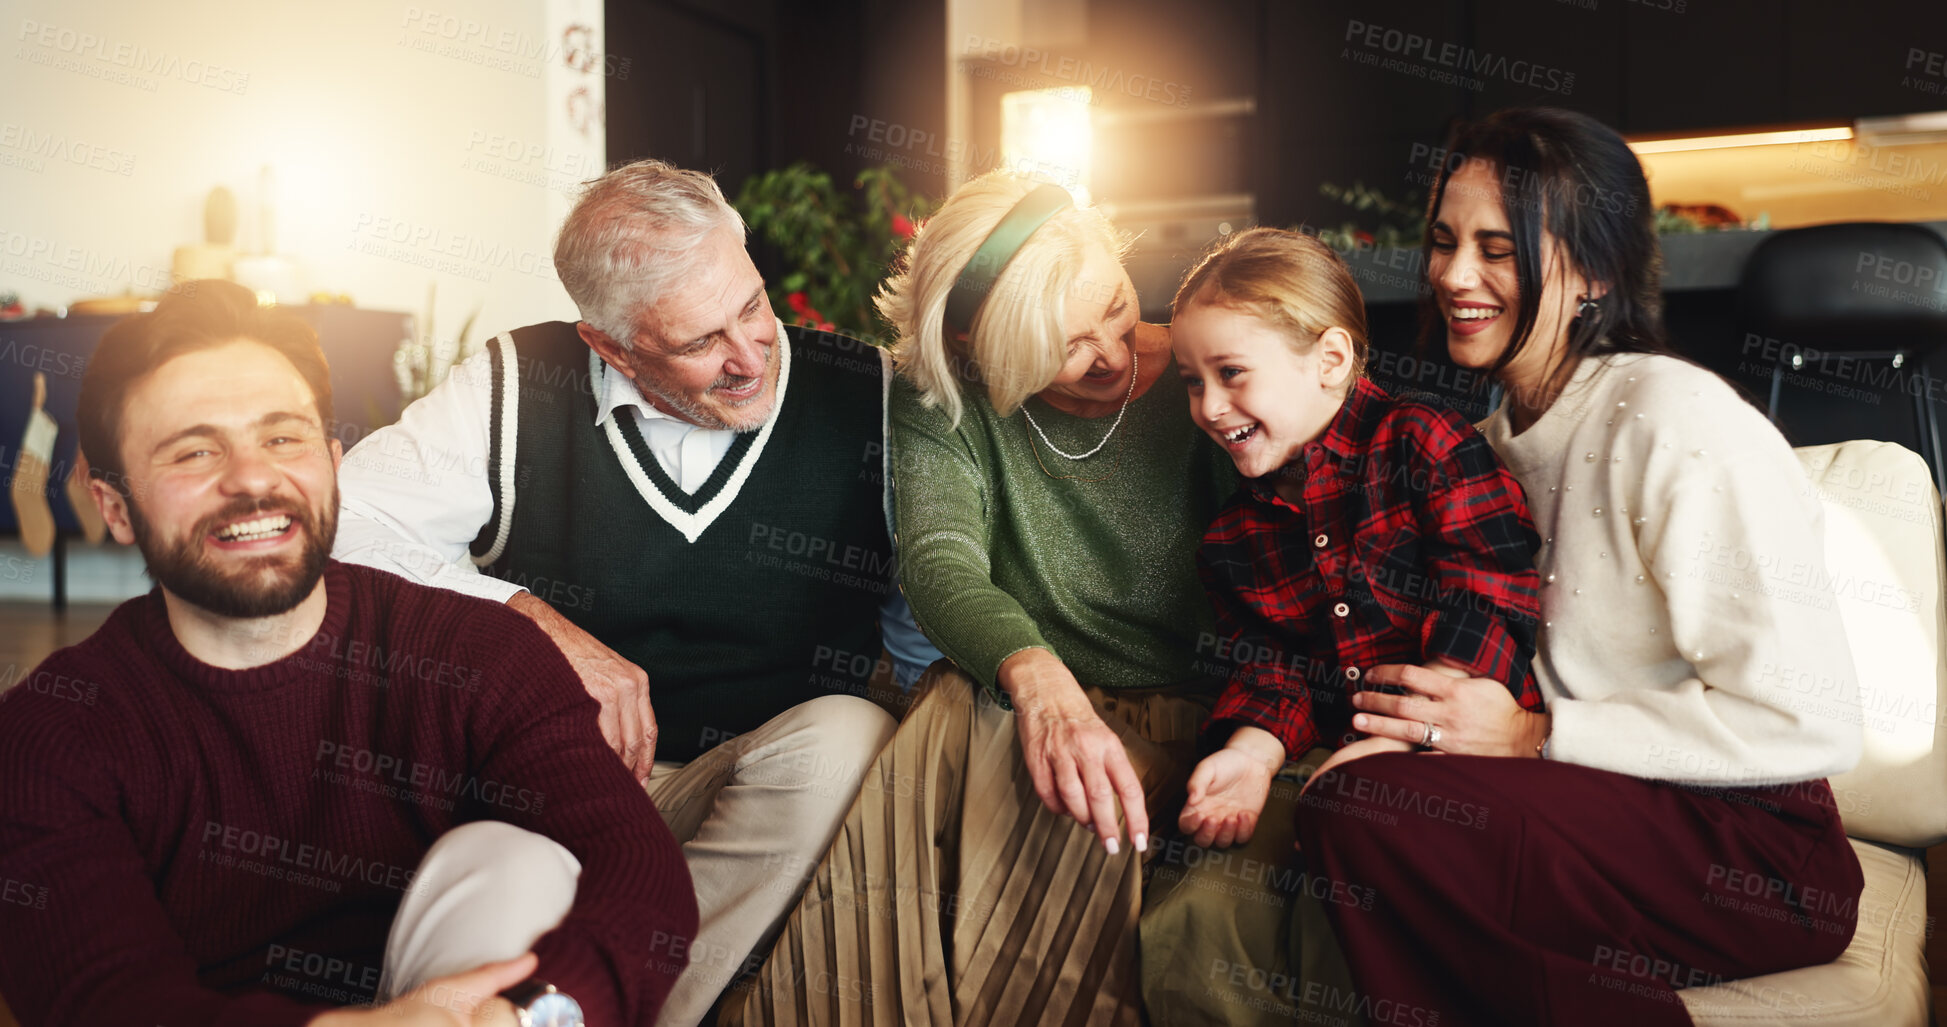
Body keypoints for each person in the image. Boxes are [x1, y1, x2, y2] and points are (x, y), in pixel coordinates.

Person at [1294, 107, 1864, 1027]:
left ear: (1595, 270)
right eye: (1442, 243)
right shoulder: (1477, 447)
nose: (1451, 276)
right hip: (1591, 797)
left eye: (1498, 248)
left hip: (1760, 847)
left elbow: (1811, 723)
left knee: (1373, 816)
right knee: (1352, 803)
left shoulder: (1672, 416)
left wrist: (1527, 735)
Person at [0, 280, 696, 1027]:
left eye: (282, 437)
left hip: (475, 1007)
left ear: (334, 463)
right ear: (115, 506)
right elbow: (104, 999)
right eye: (195, 450)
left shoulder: (474, 652)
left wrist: (524, 1014)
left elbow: (639, 868)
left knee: (512, 862)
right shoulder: (51, 732)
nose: (253, 478)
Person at [331, 159, 923, 1024]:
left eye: (751, 305)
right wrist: (528, 620)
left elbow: (923, 629)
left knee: (850, 734)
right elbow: (343, 523)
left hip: (765, 791)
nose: (749, 354)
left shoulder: (866, 394)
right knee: (488, 863)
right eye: (698, 343)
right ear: (609, 345)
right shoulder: (515, 382)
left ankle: (617, 1005)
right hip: (562, 784)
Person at [726, 172, 1270, 1026]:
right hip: (1016, 688)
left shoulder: (1213, 376)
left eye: (1118, 310)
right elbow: (941, 561)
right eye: (1067, 347)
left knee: (1089, 842)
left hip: (1196, 701)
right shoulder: (945, 397)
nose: (1115, 357)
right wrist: (1039, 681)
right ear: (980, 348)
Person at [1168, 226, 1543, 850]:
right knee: (1206, 903)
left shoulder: (1423, 442)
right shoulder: (1233, 538)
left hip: (1469, 754)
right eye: (1192, 381)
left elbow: (1485, 600)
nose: (1209, 406)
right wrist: (1251, 757)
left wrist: (1391, 744)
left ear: (1331, 361)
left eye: (1231, 372)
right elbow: (1275, 674)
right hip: (1340, 762)